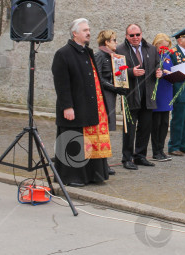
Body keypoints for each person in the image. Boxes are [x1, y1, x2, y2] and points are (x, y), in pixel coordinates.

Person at [51, 18, 111, 187]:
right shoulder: (63, 53)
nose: (88, 32)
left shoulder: (87, 52)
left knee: (88, 142)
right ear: (75, 33)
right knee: (72, 140)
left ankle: (92, 175)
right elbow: (61, 83)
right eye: (84, 30)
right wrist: (67, 106)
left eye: (89, 29)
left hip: (89, 107)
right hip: (74, 107)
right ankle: (71, 177)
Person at [116, 23, 160, 170]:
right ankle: (127, 158)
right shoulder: (119, 50)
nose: (135, 38)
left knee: (145, 127)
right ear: (126, 36)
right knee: (129, 128)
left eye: (137, 35)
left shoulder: (151, 49)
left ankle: (140, 156)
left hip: (147, 95)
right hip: (130, 95)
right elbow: (115, 73)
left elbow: (157, 66)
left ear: (141, 34)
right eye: (131, 35)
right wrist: (130, 72)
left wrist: (158, 72)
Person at [94, 29, 126, 175]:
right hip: (104, 95)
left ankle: (103, 162)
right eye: (113, 40)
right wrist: (114, 87)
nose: (116, 42)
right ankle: (101, 164)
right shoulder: (99, 56)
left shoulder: (112, 56)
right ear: (106, 42)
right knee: (102, 130)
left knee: (105, 130)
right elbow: (99, 78)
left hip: (110, 94)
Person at [167, 27, 185, 156]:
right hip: (178, 89)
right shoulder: (173, 53)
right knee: (178, 119)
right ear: (180, 40)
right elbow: (170, 70)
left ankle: (184, 144)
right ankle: (174, 146)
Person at [151, 33, 174, 162]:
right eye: (163, 46)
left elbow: (170, 68)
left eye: (167, 46)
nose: (165, 48)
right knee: (156, 123)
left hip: (167, 90)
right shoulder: (154, 55)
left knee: (165, 123)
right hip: (157, 91)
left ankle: (161, 149)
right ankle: (156, 151)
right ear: (157, 45)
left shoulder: (167, 56)